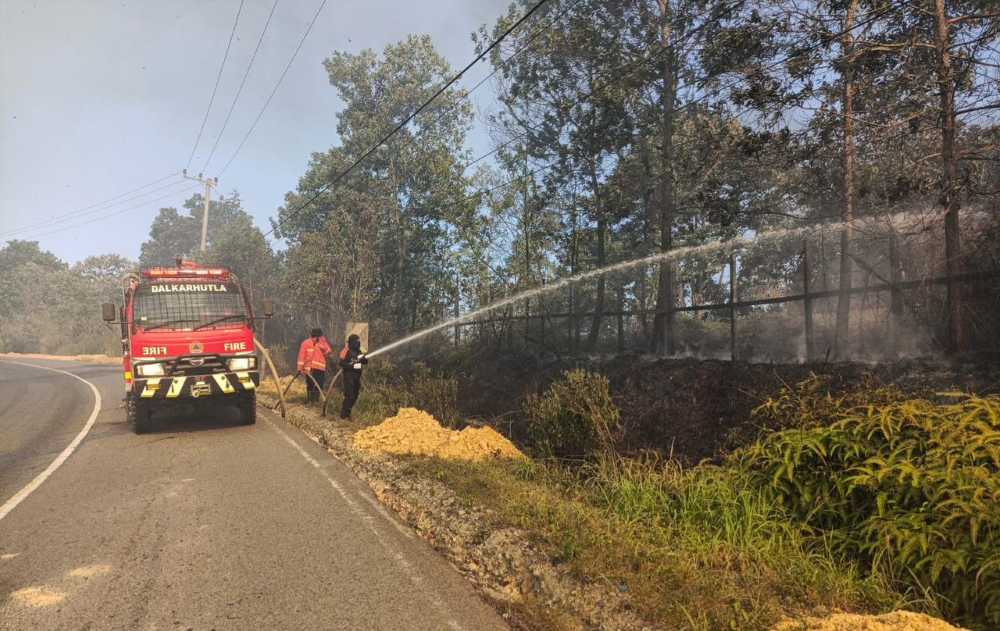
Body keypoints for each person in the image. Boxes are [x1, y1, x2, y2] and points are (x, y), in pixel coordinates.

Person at [297, 328, 332, 404]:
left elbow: (328, 352)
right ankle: (310, 401)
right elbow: (301, 357)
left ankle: (315, 401)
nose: (315, 338)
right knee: (310, 385)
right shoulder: (305, 343)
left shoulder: (323, 343)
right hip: (309, 369)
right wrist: (300, 368)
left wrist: (322, 346)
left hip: (320, 369)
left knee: (319, 385)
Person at [338, 334, 368, 419]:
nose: (358, 343)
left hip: (357, 376)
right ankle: (343, 415)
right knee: (349, 395)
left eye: (359, 341)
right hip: (348, 376)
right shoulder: (346, 350)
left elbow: (365, 361)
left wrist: (363, 359)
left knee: (355, 395)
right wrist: (352, 366)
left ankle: (348, 413)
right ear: (352, 342)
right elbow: (341, 363)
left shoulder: (359, 351)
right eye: (357, 341)